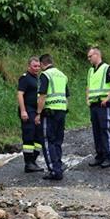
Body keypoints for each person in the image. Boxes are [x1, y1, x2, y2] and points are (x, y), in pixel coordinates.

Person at [85, 47, 110, 168]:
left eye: (90, 56)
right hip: (94, 105)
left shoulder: (107, 68)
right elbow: (88, 86)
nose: (89, 59)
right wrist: (87, 99)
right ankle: (99, 156)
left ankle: (109, 157)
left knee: (105, 130)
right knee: (96, 131)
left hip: (103, 104)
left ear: (97, 55)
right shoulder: (91, 71)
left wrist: (108, 97)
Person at [35, 53, 69, 181]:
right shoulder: (62, 75)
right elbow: (66, 96)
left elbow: (42, 96)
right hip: (61, 111)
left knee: (48, 141)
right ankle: (58, 167)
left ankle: (54, 171)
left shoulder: (45, 75)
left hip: (49, 112)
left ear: (43, 64)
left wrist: (38, 113)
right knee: (58, 142)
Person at [16, 56, 44, 172]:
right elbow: (20, 94)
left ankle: (33, 161)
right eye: (34, 66)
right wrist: (23, 111)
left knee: (39, 136)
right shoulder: (25, 78)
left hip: (36, 111)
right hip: (28, 110)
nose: (37, 68)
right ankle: (28, 164)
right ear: (29, 66)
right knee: (29, 136)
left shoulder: (38, 79)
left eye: (38, 66)